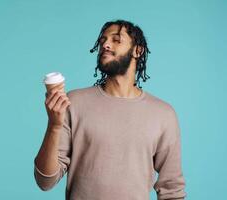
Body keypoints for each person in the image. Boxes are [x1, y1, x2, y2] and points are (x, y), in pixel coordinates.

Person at [34, 19, 187, 200]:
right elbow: (45, 181)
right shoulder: (73, 102)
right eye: (103, 41)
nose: (105, 44)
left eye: (116, 40)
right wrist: (54, 125)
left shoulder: (163, 115)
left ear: (138, 51)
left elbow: (172, 189)